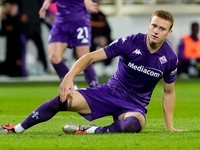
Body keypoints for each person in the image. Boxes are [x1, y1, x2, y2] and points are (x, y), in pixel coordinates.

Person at [0, 10, 185, 134]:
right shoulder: (129, 42)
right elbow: (88, 58)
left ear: (169, 33)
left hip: (134, 106)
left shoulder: (169, 58)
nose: (156, 31)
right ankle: (15, 129)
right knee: (62, 101)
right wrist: (68, 77)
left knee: (132, 125)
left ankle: (90, 130)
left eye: (162, 29)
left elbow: (169, 92)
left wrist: (170, 128)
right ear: (148, 25)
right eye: (154, 26)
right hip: (108, 93)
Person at [39, 0, 99, 88]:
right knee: (54, 58)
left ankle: (96, 90)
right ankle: (72, 88)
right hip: (61, 22)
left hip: (79, 20)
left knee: (83, 57)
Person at [19, 0, 49, 73]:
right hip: (25, 27)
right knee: (21, 49)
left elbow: (43, 7)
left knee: (40, 48)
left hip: (35, 26)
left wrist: (41, 18)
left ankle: (45, 67)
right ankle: (21, 69)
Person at [0, 0, 27, 77]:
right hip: (9, 49)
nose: (5, 8)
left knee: (19, 70)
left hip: (18, 48)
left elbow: (20, 29)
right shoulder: (6, 18)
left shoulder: (21, 16)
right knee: (10, 70)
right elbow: (2, 33)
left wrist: (13, 16)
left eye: (7, 6)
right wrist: (3, 19)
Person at [90, 10, 113, 76]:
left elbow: (108, 30)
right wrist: (95, 39)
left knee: (112, 44)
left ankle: (107, 65)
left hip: (102, 39)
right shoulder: (86, 15)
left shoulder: (102, 15)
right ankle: (91, 65)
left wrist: (105, 38)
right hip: (91, 39)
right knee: (89, 44)